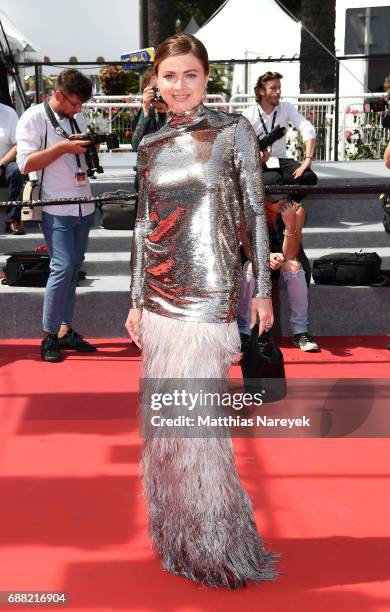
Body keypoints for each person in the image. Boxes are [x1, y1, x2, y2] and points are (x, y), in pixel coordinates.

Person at [125, 33, 278, 588]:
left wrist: (260, 288)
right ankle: (180, 536)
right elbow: (143, 226)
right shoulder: (150, 145)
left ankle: (218, 543)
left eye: (190, 74)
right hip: (160, 298)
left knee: (199, 427)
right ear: (156, 82)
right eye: (170, 76)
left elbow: (257, 214)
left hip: (210, 294)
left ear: (206, 77)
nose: (180, 85)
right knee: (168, 428)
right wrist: (136, 299)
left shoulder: (231, 131)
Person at [16, 69, 97, 362]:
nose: (79, 109)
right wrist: (62, 147)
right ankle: (48, 334)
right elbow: (25, 163)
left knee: (74, 268)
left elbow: (81, 156)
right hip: (55, 205)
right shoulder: (34, 118)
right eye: (75, 103)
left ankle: (65, 329)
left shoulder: (78, 116)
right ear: (60, 95)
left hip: (83, 203)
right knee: (62, 267)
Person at [242, 71, 319, 352]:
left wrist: (307, 160)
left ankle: (301, 331)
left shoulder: (286, 108)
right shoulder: (249, 114)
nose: (277, 92)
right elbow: (238, 149)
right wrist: (255, 158)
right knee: (258, 179)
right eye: (272, 88)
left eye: (278, 87)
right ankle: (244, 331)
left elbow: (306, 128)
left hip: (282, 162)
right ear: (261, 90)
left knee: (308, 179)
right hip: (258, 166)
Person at [238, 199, 317, 352]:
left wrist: (289, 224)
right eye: (273, 196)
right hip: (255, 256)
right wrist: (265, 257)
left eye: (283, 195)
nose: (281, 200)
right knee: (251, 267)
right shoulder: (247, 209)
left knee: (294, 267)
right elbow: (248, 249)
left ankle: (300, 331)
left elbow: (291, 253)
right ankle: (244, 331)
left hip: (286, 255)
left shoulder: (295, 209)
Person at [0, 102, 25, 234]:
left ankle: (12, 220)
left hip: (5, 164)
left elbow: (18, 145)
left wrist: (2, 164)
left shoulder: (9, 113)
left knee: (17, 169)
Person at [131, 69, 168, 152]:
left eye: (161, 88)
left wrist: (167, 112)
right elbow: (135, 147)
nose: (158, 92)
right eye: (154, 89)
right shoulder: (146, 111)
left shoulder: (178, 109)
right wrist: (145, 112)